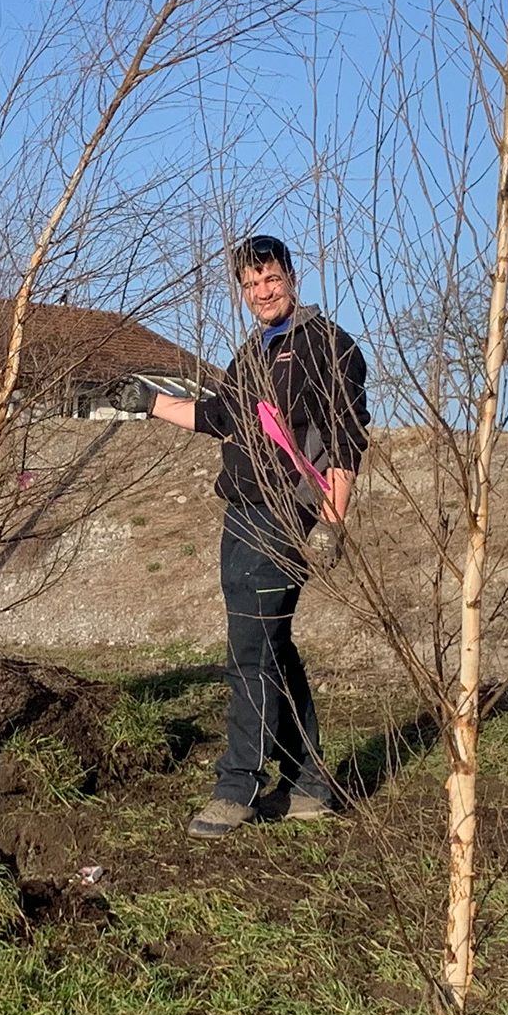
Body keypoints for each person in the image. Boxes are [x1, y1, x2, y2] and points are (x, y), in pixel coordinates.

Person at [127, 234, 368, 840]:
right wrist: (150, 401)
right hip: (242, 512)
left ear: (292, 275)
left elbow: (344, 437)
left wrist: (331, 523)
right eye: (250, 285)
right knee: (271, 646)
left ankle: (237, 785)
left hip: (282, 516)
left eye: (271, 279)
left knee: (247, 651)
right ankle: (312, 782)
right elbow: (218, 417)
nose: (262, 292)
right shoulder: (252, 354)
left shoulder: (326, 346)